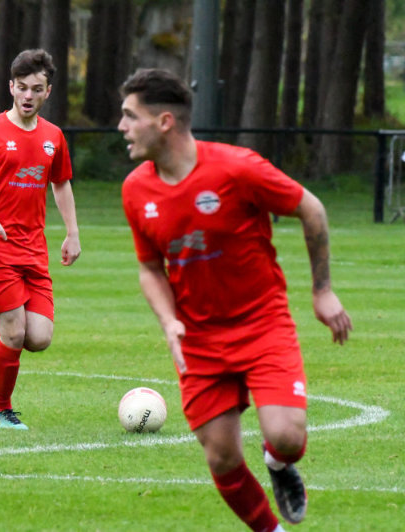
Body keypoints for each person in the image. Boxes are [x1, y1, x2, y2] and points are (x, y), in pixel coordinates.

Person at [118, 68, 353, 531]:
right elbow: (149, 268)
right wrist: (169, 321)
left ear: (164, 121)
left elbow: (311, 208)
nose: (121, 126)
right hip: (198, 338)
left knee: (286, 438)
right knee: (222, 456)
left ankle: (278, 463)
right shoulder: (136, 190)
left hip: (262, 322)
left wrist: (322, 290)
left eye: (130, 115)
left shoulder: (237, 168)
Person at [0, 49, 81, 430]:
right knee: (14, 331)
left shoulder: (53, 136)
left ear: (47, 92)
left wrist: (72, 233)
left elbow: (61, 183)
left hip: (33, 249)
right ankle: (1, 410)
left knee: (38, 338)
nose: (28, 95)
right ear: (11, 87)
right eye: (22, 87)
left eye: (36, 89)